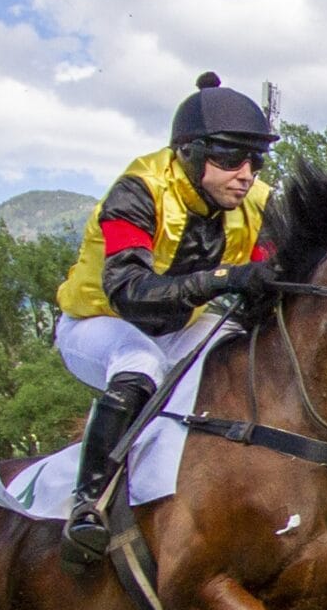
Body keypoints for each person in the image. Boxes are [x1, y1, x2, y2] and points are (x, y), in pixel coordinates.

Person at [53, 71, 278, 570]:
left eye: (255, 160)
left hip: (180, 326)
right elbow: (131, 294)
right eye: (231, 159)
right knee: (141, 365)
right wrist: (225, 278)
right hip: (100, 323)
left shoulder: (258, 204)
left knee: (248, 355)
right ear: (190, 154)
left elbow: (271, 285)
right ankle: (87, 505)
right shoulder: (137, 192)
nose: (246, 174)